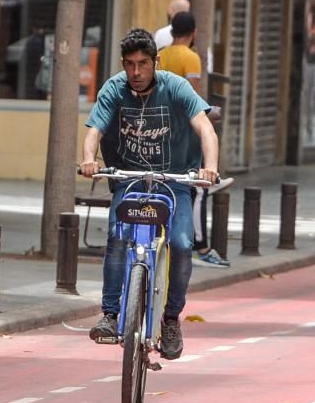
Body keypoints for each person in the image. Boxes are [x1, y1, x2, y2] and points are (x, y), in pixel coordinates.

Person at [80, 28, 220, 360]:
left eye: (144, 63)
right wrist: (88, 159)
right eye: (130, 64)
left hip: (174, 181)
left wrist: (209, 167)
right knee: (117, 237)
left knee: (183, 245)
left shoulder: (176, 87)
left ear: (156, 61)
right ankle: (111, 313)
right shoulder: (115, 88)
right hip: (129, 180)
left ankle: (171, 318)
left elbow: (204, 127)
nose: (137, 72)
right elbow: (94, 130)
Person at [158, 12, 233, 267]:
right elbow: (194, 95)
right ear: (194, 33)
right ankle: (201, 245)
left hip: (158, 128)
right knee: (198, 189)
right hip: (183, 129)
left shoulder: (161, 54)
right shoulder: (191, 58)